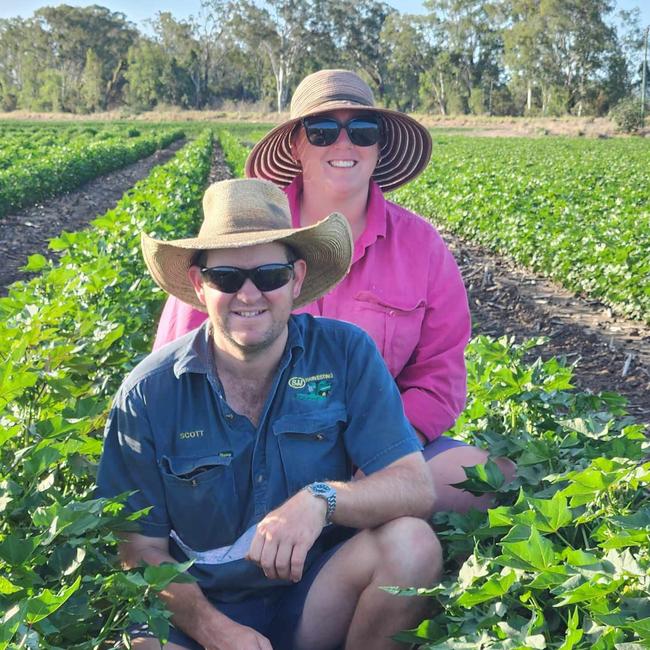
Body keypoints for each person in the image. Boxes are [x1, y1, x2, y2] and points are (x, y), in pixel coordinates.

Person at [96, 178, 442, 650]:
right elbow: (138, 549)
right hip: (197, 609)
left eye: (270, 275)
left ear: (296, 279)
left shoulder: (344, 353)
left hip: (313, 592)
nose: (249, 295)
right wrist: (217, 631)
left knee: (412, 545)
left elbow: (414, 487)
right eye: (226, 278)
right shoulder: (149, 392)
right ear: (199, 285)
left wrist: (321, 500)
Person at [153, 69, 515, 512]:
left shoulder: (421, 246)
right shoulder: (244, 237)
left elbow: (439, 375)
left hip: (376, 447)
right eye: (321, 131)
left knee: (488, 480)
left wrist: (385, 452)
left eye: (362, 131)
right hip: (255, 454)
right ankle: (343, 523)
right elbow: (175, 365)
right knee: (399, 528)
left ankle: (345, 514)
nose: (343, 144)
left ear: (378, 147)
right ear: (296, 145)